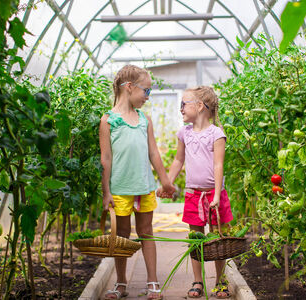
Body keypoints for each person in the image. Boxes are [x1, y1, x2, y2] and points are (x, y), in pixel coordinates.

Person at [99, 64, 176, 300]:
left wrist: (165, 182)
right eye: (146, 91)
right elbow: (106, 158)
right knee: (121, 236)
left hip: (144, 187)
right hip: (120, 189)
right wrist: (106, 192)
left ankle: (152, 282)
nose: (147, 96)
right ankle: (121, 283)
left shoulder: (144, 120)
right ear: (129, 87)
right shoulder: (109, 120)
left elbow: (154, 154)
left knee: (146, 233)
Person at [157, 86, 233, 299]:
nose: (181, 109)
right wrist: (167, 184)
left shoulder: (216, 133)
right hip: (193, 195)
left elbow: (218, 166)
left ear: (200, 106)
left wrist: (217, 195)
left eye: (184, 104)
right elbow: (178, 160)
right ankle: (198, 281)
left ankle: (220, 281)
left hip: (214, 195)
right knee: (195, 239)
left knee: (218, 240)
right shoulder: (184, 133)